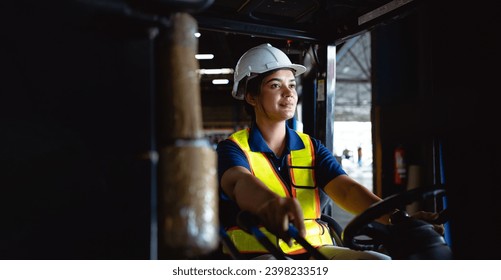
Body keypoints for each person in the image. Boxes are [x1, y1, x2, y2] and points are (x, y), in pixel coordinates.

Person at [216, 43, 442, 260]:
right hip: (257, 254)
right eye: (275, 85)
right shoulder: (233, 148)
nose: (289, 93)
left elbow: (346, 190)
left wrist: (399, 218)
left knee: (379, 263)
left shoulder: (312, 147)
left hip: (316, 250)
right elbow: (239, 182)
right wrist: (268, 203)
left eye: (292, 85)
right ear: (251, 96)